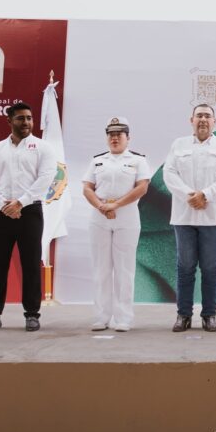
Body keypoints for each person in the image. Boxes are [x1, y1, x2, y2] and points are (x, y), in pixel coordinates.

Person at [0, 102, 57, 332]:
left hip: (30, 212)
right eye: (21, 118)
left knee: (31, 264)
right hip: (1, 213)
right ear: (9, 121)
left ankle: (32, 314)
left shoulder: (43, 148)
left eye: (29, 118)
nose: (27, 123)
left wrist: (21, 202)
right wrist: (4, 205)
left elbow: (46, 178)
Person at [163, 104, 216, 333]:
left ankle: (209, 315)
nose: (203, 119)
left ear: (214, 121)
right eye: (199, 116)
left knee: (210, 268)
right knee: (185, 267)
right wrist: (190, 196)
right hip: (184, 216)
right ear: (191, 120)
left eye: (207, 116)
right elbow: (169, 173)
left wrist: (206, 195)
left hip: (212, 217)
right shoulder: (179, 144)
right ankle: (183, 315)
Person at [82, 117, 151, 332]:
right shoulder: (97, 161)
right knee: (100, 269)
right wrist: (102, 207)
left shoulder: (138, 160)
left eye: (119, 134)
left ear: (128, 138)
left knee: (124, 269)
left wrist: (116, 205)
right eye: (111, 134)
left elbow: (142, 187)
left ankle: (123, 318)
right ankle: (101, 316)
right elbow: (87, 188)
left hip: (127, 217)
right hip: (99, 217)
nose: (114, 138)